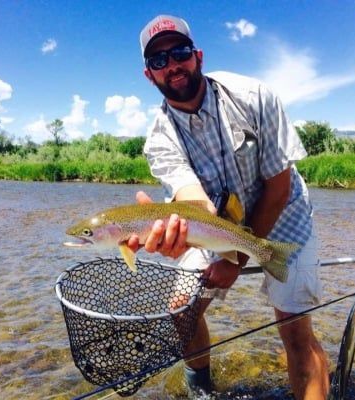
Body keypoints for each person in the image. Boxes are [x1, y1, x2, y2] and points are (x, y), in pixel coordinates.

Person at [128, 14, 329, 399]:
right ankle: (200, 386)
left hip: (285, 216)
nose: (172, 65)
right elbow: (196, 203)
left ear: (197, 55)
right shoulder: (159, 139)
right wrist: (183, 236)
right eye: (159, 60)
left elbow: (278, 187)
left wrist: (235, 260)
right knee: (180, 311)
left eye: (180, 52)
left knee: (295, 330)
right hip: (216, 226)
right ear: (148, 74)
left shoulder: (253, 97)